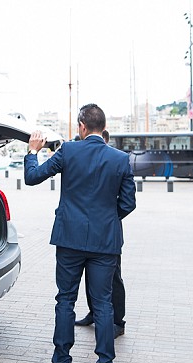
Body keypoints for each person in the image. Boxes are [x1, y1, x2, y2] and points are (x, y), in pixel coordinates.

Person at [27, 104, 136, 363]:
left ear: (82, 126)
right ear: (102, 127)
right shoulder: (121, 159)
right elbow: (128, 204)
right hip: (105, 242)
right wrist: (106, 221)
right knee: (103, 305)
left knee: (65, 300)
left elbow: (33, 176)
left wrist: (32, 151)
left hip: (69, 240)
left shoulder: (68, 151)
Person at [75, 129, 126, 338]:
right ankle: (94, 313)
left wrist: (110, 219)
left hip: (107, 233)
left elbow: (127, 201)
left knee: (113, 278)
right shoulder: (90, 161)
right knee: (91, 277)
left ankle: (117, 322)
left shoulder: (116, 159)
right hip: (89, 231)